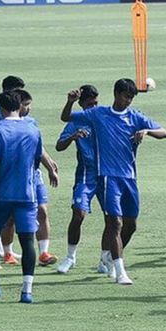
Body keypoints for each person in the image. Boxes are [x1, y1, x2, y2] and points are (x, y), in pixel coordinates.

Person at [64, 78, 166, 285]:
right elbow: (66, 117)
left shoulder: (135, 117)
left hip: (129, 178)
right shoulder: (98, 114)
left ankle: (109, 257)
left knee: (131, 225)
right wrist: (70, 102)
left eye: (131, 97)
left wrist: (147, 131)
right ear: (116, 94)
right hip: (107, 177)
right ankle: (120, 271)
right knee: (115, 223)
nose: (128, 101)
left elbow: (164, 132)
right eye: (125, 96)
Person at [0, 90, 57, 303]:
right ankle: (27, 291)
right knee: (27, 240)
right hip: (27, 193)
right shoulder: (33, 129)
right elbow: (38, 157)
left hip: (1, 193)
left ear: (1, 108)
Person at [55, 84, 108, 274]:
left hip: (107, 174)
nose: (94, 107)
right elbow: (59, 146)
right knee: (78, 214)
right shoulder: (76, 120)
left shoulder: (104, 116)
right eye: (90, 104)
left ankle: (104, 259)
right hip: (86, 174)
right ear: (82, 104)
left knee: (111, 218)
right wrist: (73, 137)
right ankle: (70, 257)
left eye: (96, 102)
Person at [15, 89, 60, 266]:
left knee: (42, 210)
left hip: (34, 175)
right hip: (16, 177)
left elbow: (38, 148)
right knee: (9, 217)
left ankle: (44, 253)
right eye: (26, 105)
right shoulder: (6, 124)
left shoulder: (31, 122)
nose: (29, 108)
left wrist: (50, 166)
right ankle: (6, 251)